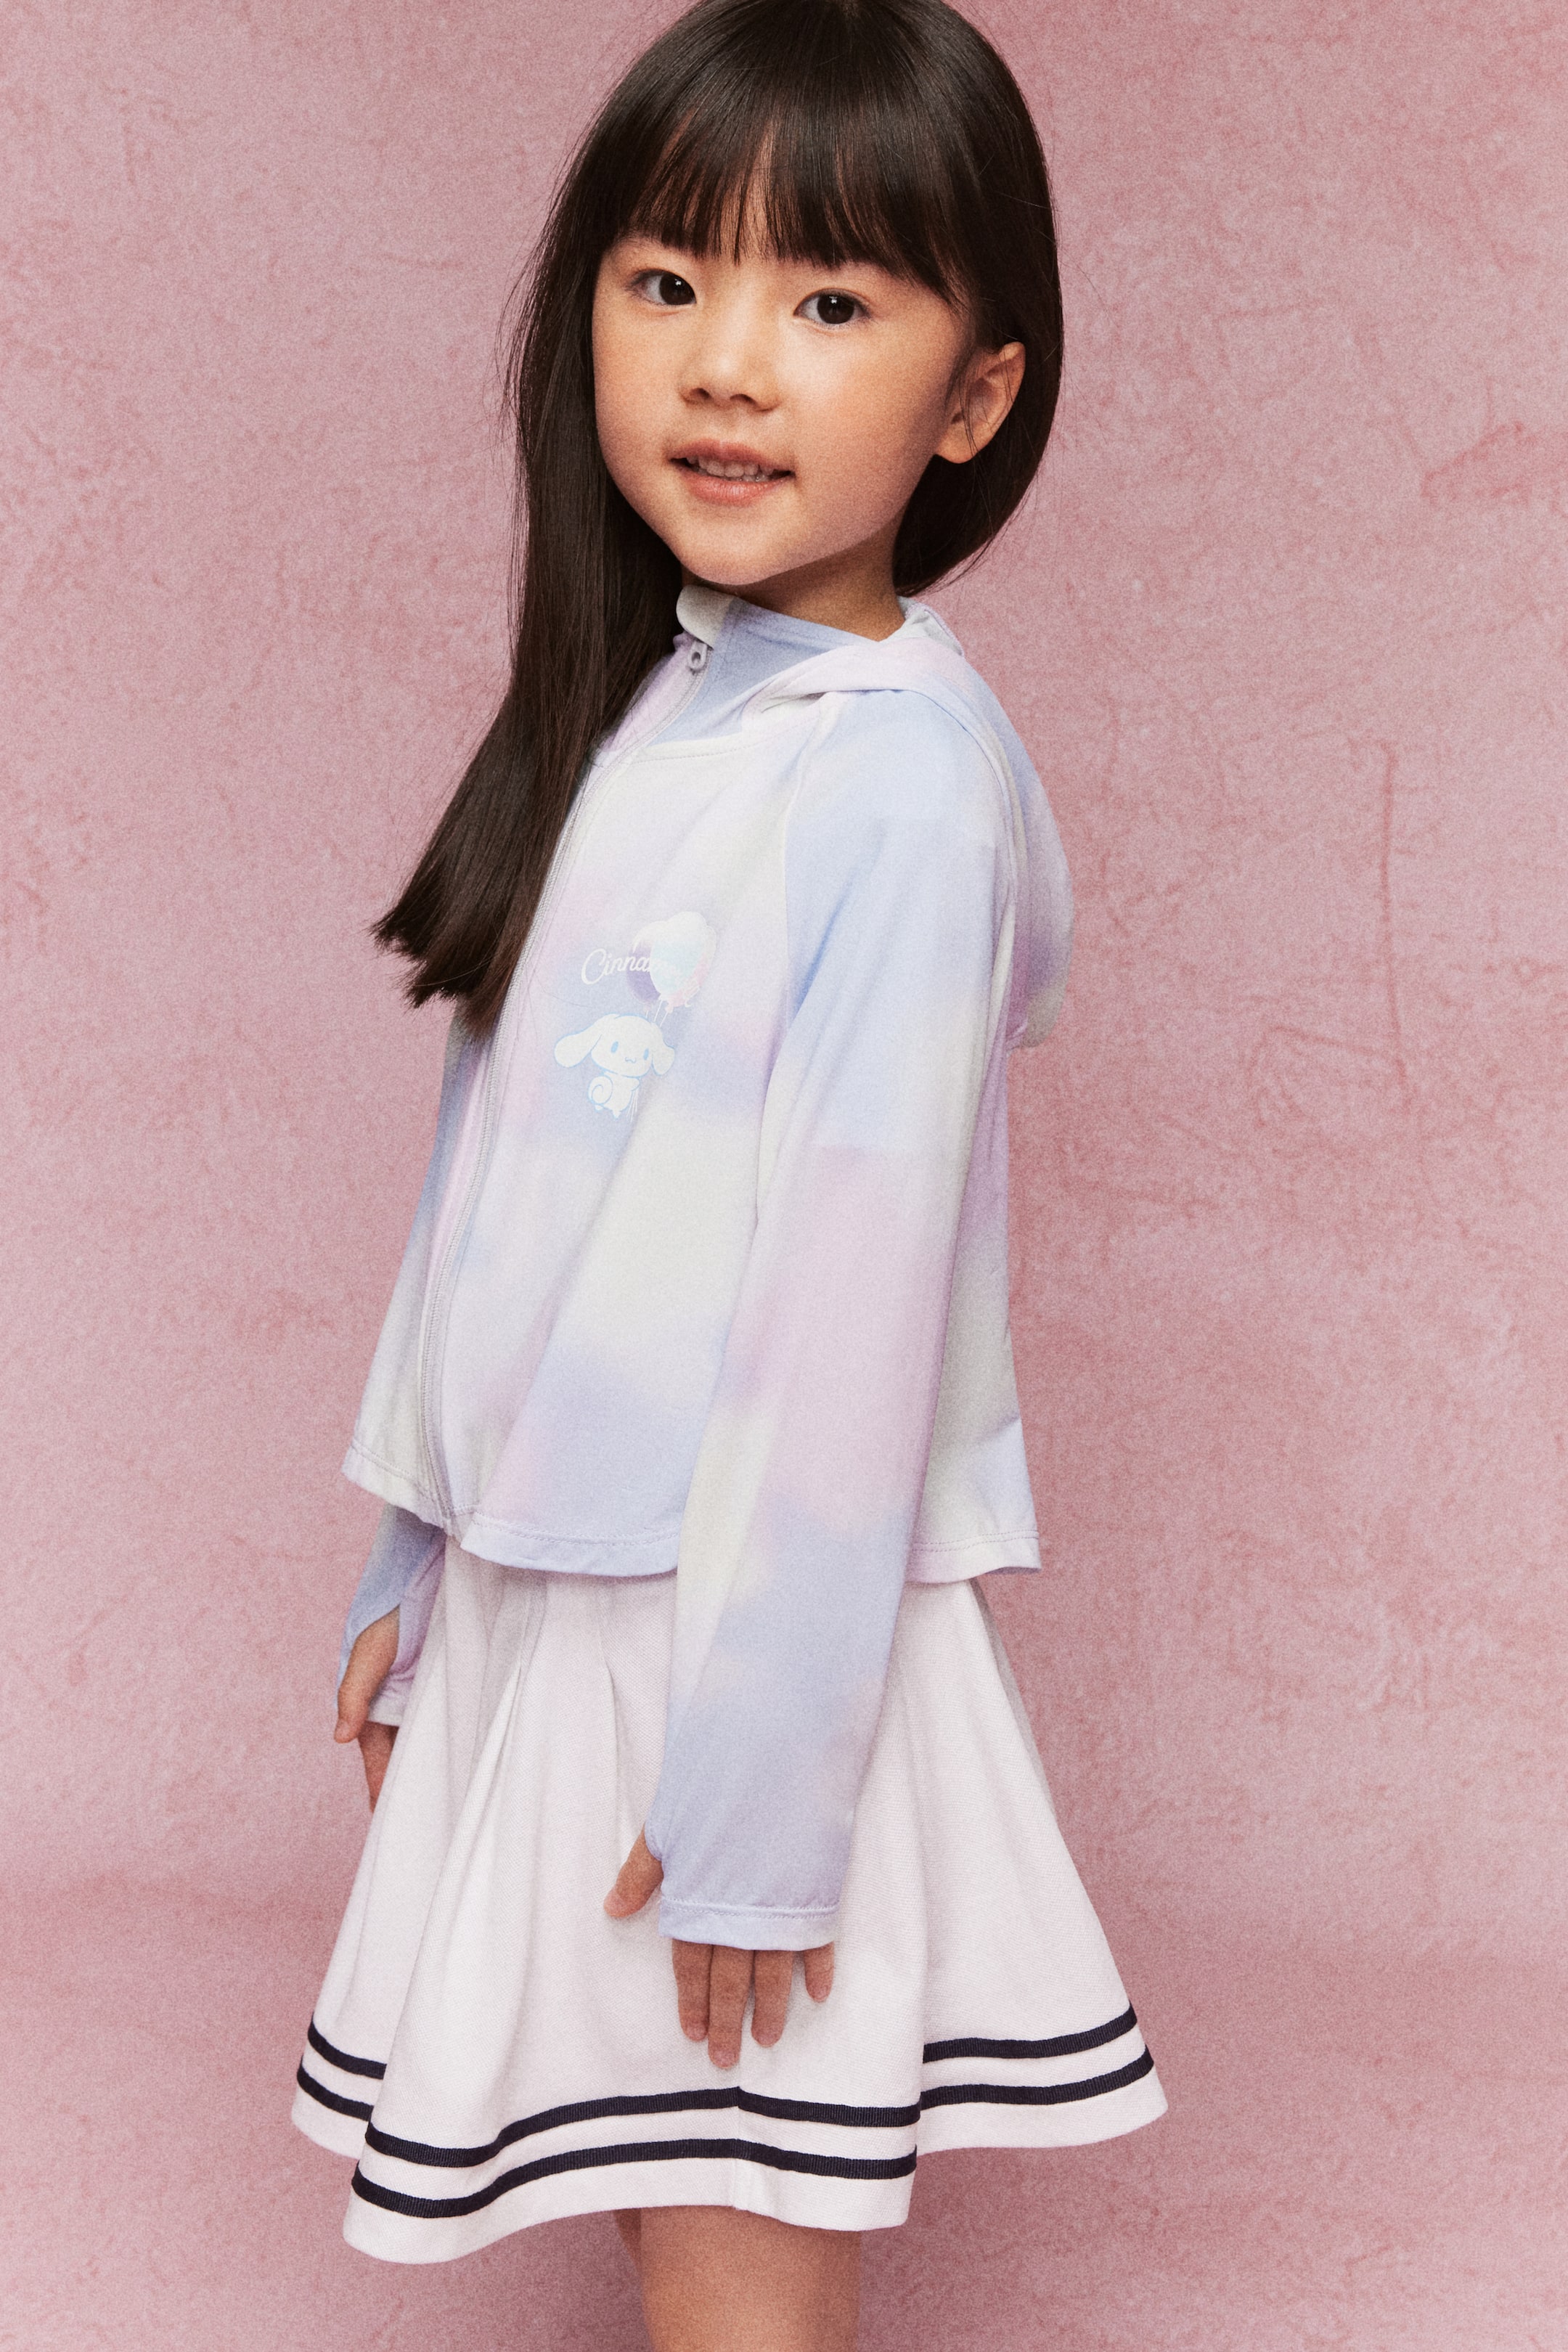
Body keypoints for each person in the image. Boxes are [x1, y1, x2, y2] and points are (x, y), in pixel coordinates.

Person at [290, 1, 1166, 2342]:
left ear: (976, 394)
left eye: (833, 300)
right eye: (669, 279)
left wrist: (767, 1801)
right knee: (651, 2176)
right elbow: (507, 1173)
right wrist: (419, 1543)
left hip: (737, 1645)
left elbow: (847, 1329)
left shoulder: (894, 784)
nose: (730, 365)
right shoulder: (662, 700)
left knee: (735, 2238)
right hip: (565, 1589)